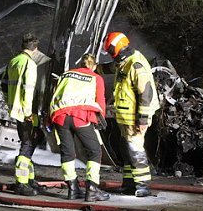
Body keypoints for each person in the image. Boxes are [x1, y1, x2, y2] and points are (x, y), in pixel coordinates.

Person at [100, 31, 159, 197]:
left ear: (118, 47)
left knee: (135, 149)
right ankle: (129, 184)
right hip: (126, 117)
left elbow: (145, 94)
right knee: (126, 149)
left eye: (111, 51)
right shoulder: (123, 62)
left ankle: (143, 185)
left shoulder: (135, 64)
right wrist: (93, 68)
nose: (111, 55)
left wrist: (143, 119)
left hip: (135, 118)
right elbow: (109, 68)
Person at [49, 53, 109, 201]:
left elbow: (55, 94)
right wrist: (99, 120)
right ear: (94, 66)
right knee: (94, 151)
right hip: (80, 117)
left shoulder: (66, 74)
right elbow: (100, 102)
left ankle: (73, 189)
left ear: (81, 64)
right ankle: (92, 189)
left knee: (67, 153)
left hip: (60, 116)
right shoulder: (96, 78)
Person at [4, 32, 49, 196]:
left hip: (16, 110)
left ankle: (29, 179)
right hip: (26, 112)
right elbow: (28, 90)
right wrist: (29, 113)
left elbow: (3, 85)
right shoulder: (29, 63)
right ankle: (21, 183)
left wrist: (11, 103)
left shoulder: (14, 61)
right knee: (28, 144)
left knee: (30, 142)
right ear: (35, 49)